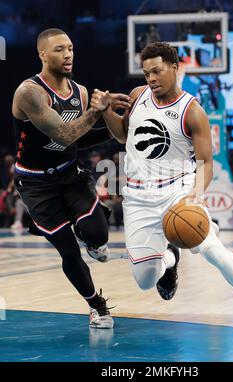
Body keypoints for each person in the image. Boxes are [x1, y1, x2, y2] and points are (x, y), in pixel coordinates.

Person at [97, 42, 233, 339]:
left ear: (175, 67)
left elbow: (206, 163)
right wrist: (106, 110)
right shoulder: (137, 96)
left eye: (157, 71)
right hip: (138, 197)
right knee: (145, 281)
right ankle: (170, 259)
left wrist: (195, 195)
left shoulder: (192, 111)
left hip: (178, 190)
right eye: (146, 73)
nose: (151, 79)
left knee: (212, 249)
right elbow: (122, 135)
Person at [12, 28, 131, 329]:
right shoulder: (29, 92)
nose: (68, 55)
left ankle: (91, 231)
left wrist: (115, 122)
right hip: (36, 184)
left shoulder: (79, 91)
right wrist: (96, 112)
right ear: (42, 54)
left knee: (98, 235)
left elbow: (78, 140)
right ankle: (97, 306)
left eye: (71, 48)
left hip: (70, 174)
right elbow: (64, 135)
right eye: (59, 50)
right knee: (68, 249)